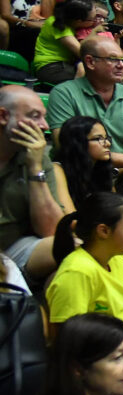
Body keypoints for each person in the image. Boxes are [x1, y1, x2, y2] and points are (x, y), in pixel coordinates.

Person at [47, 192, 123, 374]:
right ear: (103, 231)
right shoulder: (76, 272)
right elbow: (68, 338)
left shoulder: (117, 259)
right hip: (106, 369)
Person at [46, 35, 123, 173]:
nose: (122, 65)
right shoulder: (63, 93)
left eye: (122, 59)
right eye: (113, 59)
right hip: (78, 172)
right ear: (90, 62)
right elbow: (66, 146)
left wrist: (118, 170)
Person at [0, 86, 67, 283]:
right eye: (34, 116)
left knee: (70, 246)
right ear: (3, 116)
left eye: (44, 117)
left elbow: (52, 230)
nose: (44, 125)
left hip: (14, 246)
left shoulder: (37, 157)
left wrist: (35, 167)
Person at [32, 0, 95, 83]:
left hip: (64, 65)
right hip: (51, 68)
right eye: (92, 20)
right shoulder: (57, 24)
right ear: (79, 21)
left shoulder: (71, 23)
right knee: (95, 77)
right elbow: (81, 52)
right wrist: (94, 32)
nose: (95, 22)